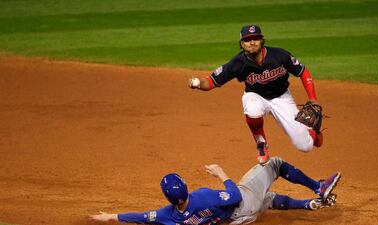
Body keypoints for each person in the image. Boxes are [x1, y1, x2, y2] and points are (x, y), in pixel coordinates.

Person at [188, 25, 323, 164]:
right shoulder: (238, 63)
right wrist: (198, 83)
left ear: (261, 40)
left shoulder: (279, 55)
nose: (252, 42)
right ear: (241, 44)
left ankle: (314, 133)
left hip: (282, 98)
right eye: (247, 40)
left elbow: (303, 72)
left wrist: (313, 98)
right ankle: (261, 143)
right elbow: (211, 81)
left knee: (305, 146)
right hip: (256, 96)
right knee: (252, 107)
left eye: (255, 38)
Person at [89, 157, 341, 224]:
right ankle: (319, 187)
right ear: (186, 187)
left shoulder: (170, 216)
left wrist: (111, 216)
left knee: (271, 199)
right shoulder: (201, 197)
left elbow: (143, 217)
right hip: (242, 204)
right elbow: (234, 195)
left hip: (237, 220)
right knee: (274, 164)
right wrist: (222, 174)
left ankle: (307, 204)